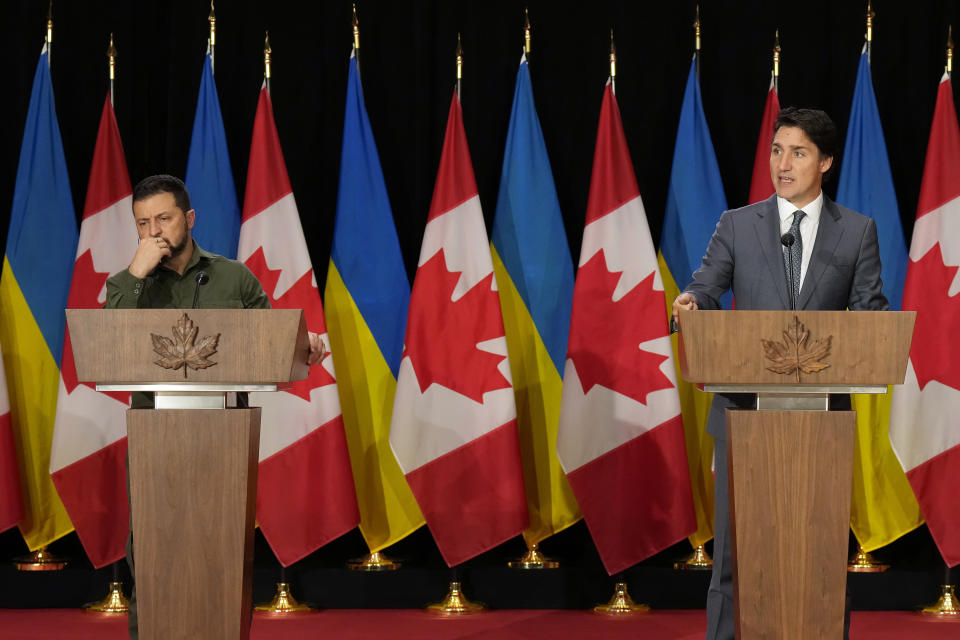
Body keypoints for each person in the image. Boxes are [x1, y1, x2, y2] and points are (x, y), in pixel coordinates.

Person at [671, 108, 888, 640]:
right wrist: (692, 304)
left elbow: (870, 315)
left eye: (798, 152)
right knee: (735, 556)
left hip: (822, 425)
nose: (782, 164)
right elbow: (705, 289)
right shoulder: (736, 224)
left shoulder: (857, 232)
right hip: (743, 415)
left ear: (826, 162)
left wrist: (867, 333)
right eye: (776, 150)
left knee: (818, 554)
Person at [106, 174, 325, 639]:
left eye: (163, 219)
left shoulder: (234, 276)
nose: (154, 232)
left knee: (222, 555)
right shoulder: (129, 284)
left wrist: (305, 345)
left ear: (188, 219)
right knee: (150, 553)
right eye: (143, 223)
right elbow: (107, 343)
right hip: (154, 440)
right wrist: (136, 273)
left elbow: (273, 348)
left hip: (223, 443)